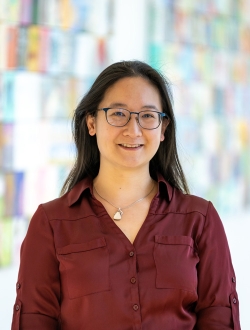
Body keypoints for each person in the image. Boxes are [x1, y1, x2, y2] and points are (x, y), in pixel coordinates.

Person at [11, 60, 241, 330]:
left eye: (147, 116)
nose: (133, 130)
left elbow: (218, 319)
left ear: (163, 129)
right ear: (92, 122)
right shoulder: (51, 223)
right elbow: (35, 322)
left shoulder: (200, 219)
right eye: (118, 114)